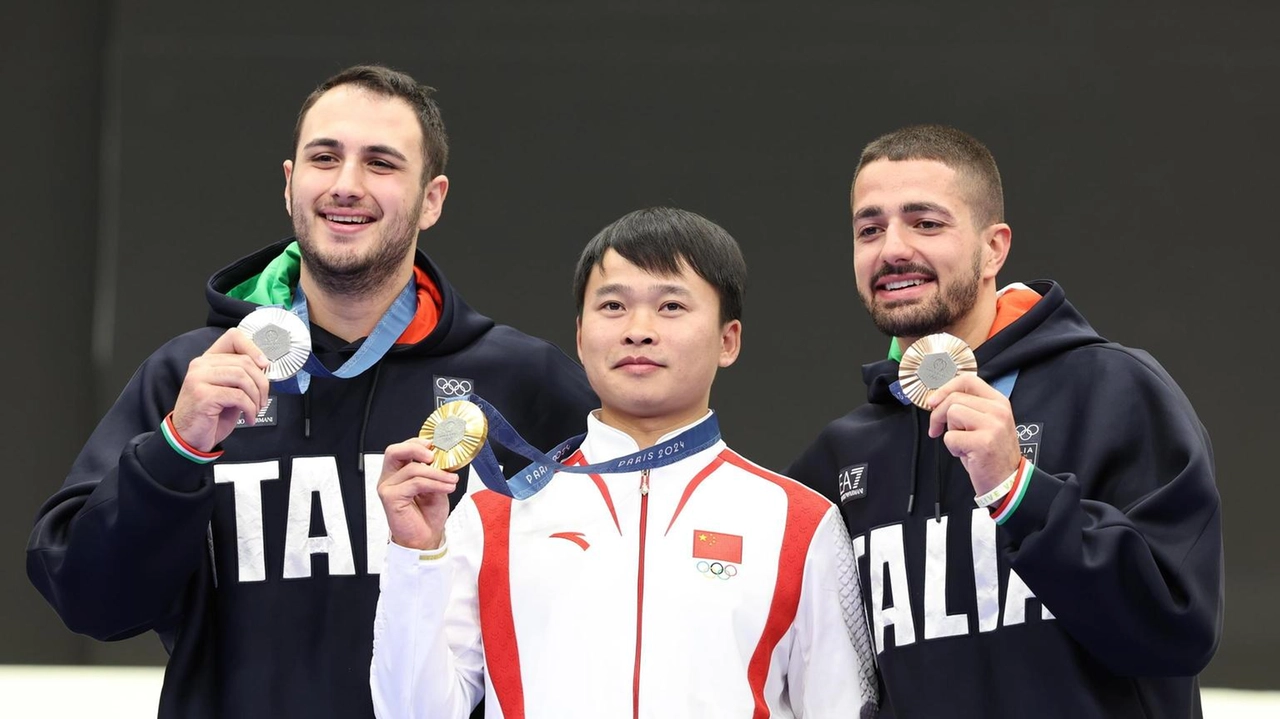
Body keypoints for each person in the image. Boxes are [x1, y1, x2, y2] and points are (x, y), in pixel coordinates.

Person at [26, 64, 596, 719]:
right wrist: (178, 448)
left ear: (431, 199)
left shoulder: (517, 382)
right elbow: (91, 601)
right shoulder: (193, 376)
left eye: (381, 162)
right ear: (291, 182)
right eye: (325, 157)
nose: (347, 185)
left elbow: (611, 600)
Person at [370, 207, 879, 718]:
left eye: (671, 306)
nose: (638, 330)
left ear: (728, 340)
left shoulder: (798, 523)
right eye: (612, 305)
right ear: (580, 336)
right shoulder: (494, 513)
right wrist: (415, 557)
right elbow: (413, 713)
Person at [787, 124, 1223, 717]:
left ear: (994, 248)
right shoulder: (837, 457)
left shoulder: (1113, 391)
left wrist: (1019, 491)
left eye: (926, 223)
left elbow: (1178, 628)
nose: (892, 248)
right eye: (870, 229)